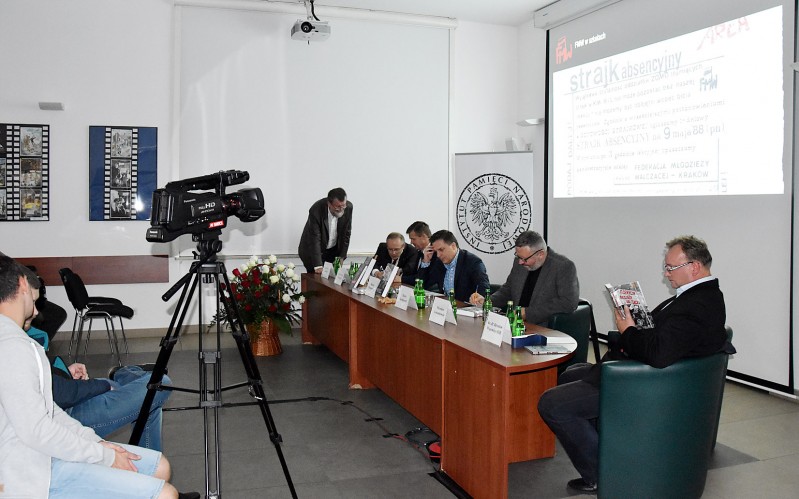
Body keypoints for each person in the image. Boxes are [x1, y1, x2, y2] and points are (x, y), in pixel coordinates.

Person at [537, 236, 731, 494]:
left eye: (670, 268)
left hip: (642, 385)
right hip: (645, 375)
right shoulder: (699, 296)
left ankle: (602, 474)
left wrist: (628, 331)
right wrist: (635, 324)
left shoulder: (697, 305)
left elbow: (659, 354)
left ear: (694, 266)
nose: (666, 273)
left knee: (552, 403)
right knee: (571, 374)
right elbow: (668, 339)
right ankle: (607, 447)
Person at [0, 254, 197, 499]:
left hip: (43, 450)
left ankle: (124, 375)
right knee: (157, 389)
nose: (37, 309)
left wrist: (98, 444)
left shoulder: (18, 342)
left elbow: (48, 410)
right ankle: (124, 375)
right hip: (32, 471)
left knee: (160, 465)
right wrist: (104, 455)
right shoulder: (12, 345)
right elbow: (39, 429)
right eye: (35, 299)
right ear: (22, 283)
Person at [471, 231, 579, 325]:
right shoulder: (519, 262)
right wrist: (487, 301)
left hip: (544, 327)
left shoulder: (563, 266)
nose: (520, 262)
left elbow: (568, 303)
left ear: (540, 254)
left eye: (524, 259)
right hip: (514, 324)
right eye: (518, 257)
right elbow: (508, 289)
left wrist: (527, 313)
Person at [417, 230, 490, 303]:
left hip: (464, 307)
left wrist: (479, 298)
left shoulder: (473, 262)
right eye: (436, 251)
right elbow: (422, 285)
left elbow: (483, 286)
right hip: (445, 306)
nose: (438, 255)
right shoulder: (438, 261)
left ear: (453, 246)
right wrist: (425, 261)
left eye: (441, 250)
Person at [298, 187, 353, 274]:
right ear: (329, 204)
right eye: (338, 207)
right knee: (316, 279)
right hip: (312, 252)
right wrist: (318, 265)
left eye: (343, 205)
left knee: (332, 278)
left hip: (332, 251)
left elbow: (346, 233)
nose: (341, 209)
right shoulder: (316, 210)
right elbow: (315, 239)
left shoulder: (348, 208)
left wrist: (341, 257)